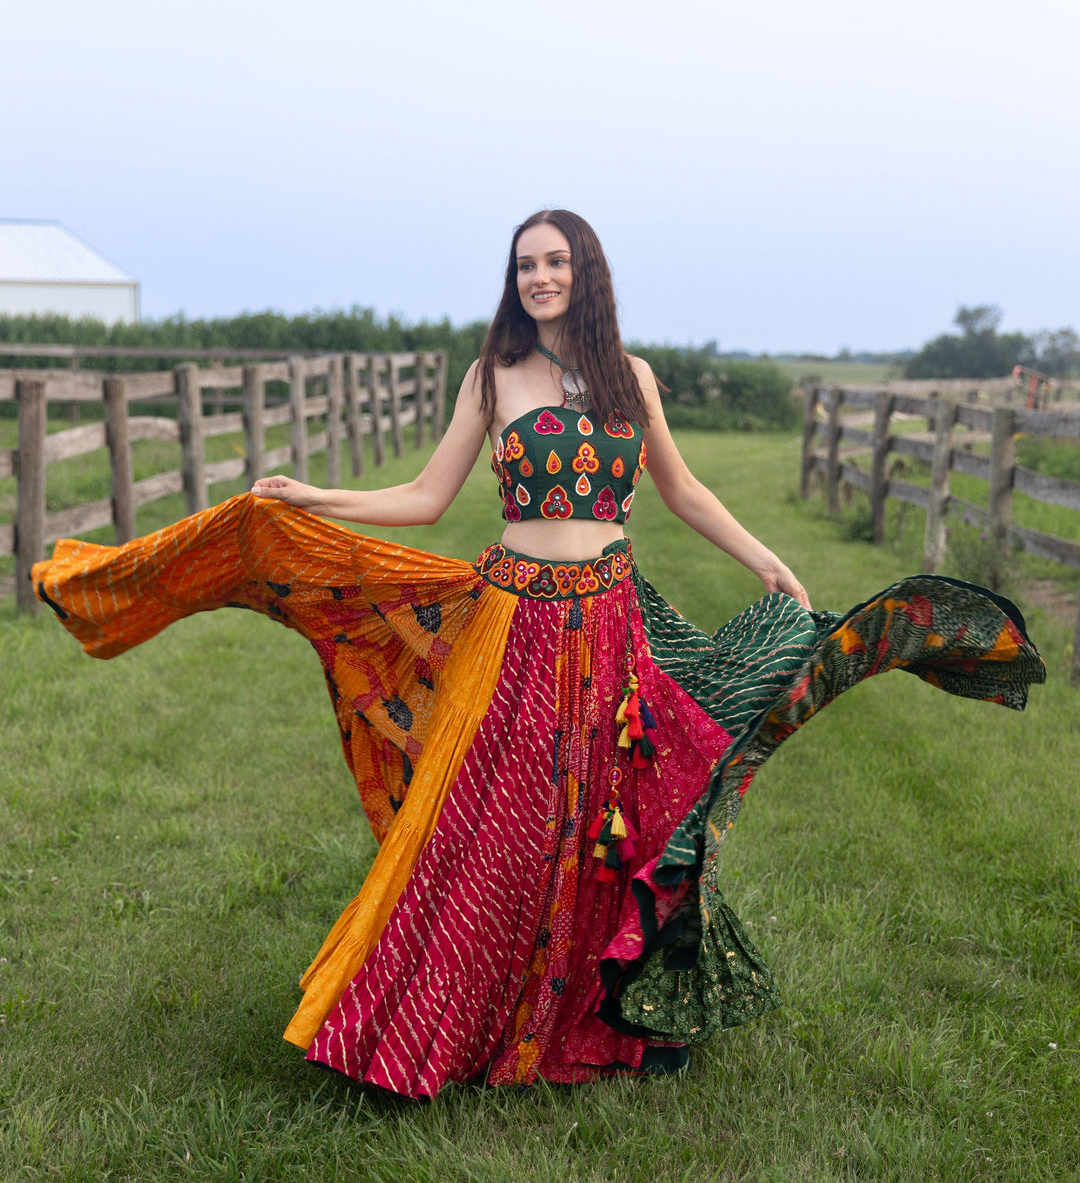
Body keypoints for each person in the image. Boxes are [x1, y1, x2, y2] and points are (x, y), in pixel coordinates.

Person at [32, 209, 1045, 1100]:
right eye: (525, 264)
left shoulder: (628, 378)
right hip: (514, 622)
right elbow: (426, 498)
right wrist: (316, 501)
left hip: (608, 623)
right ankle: (436, 1021)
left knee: (600, 819)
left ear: (585, 271)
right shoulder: (492, 376)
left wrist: (762, 554)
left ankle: (592, 1019)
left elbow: (684, 493)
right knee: (490, 827)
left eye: (554, 260)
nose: (539, 276)